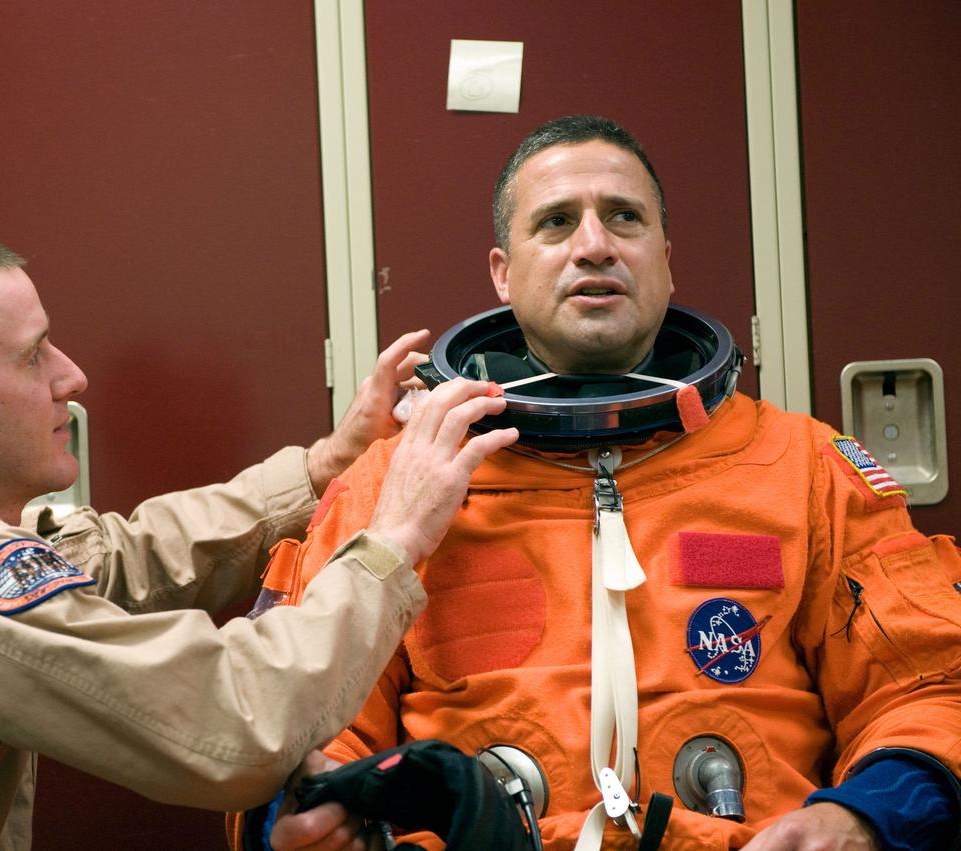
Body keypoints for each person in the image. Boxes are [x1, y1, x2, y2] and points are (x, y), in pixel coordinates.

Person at [255, 116, 961, 850]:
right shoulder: (394, 487)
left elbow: (930, 686)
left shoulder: (806, 469)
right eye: (556, 223)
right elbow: (291, 722)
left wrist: (861, 819)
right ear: (503, 271)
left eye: (623, 217)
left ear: (665, 256)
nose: (594, 244)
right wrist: (315, 816)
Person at [0, 233, 520, 848]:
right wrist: (394, 533)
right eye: (33, 354)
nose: (71, 376)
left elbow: (113, 553)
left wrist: (325, 466)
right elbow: (236, 721)